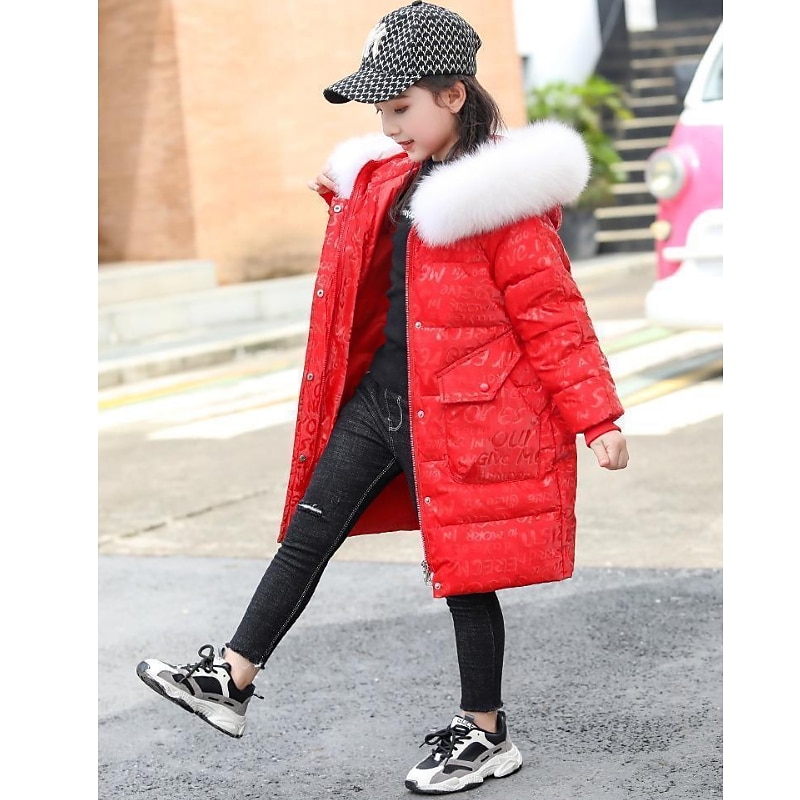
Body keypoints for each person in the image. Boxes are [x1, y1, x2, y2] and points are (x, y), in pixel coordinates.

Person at [136, 1, 630, 794]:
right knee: (308, 534)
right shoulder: (401, 177)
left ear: (454, 96)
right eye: (380, 111)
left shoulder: (501, 203)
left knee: (465, 573)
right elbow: (378, 256)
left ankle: (485, 733)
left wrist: (597, 415)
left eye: (401, 108)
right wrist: (339, 195)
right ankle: (231, 678)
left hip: (461, 416)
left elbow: (554, 315)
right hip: (381, 400)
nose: (388, 125)